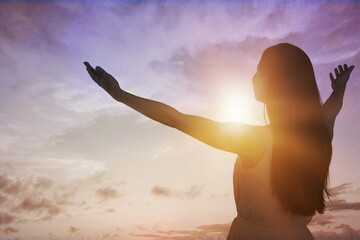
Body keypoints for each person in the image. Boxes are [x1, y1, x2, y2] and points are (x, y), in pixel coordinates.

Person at [84, 43, 354, 240]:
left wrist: (120, 95)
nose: (253, 76)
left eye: (258, 70)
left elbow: (178, 119)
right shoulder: (319, 134)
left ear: (271, 82)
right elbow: (333, 107)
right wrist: (339, 87)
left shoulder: (253, 141)